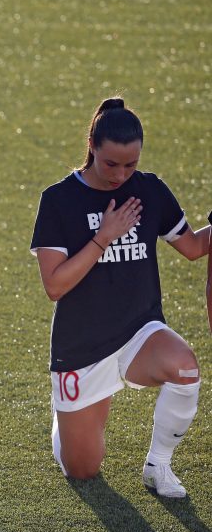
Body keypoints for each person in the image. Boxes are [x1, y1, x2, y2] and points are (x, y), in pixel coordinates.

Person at [31, 98, 210, 496]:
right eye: (112, 164)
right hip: (82, 346)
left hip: (139, 331)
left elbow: (194, 247)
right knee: (83, 469)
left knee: (185, 370)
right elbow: (55, 285)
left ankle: (158, 467)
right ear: (92, 144)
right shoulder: (58, 200)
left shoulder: (149, 190)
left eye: (130, 164)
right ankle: (65, 419)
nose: (121, 175)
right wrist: (104, 236)